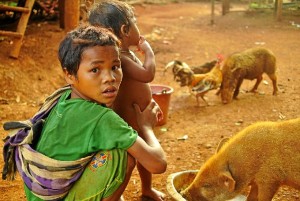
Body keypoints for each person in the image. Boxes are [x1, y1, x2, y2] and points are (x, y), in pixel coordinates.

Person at [2, 25, 166, 201]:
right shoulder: (101, 119)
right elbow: (158, 164)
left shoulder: (64, 96)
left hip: (40, 194)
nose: (110, 77)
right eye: (95, 70)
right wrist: (146, 127)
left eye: (115, 67)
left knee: (113, 142)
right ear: (69, 74)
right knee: (122, 156)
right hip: (57, 197)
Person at [88, 1, 165, 200]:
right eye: (135, 22)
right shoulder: (120, 58)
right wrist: (148, 51)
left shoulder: (124, 54)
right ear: (125, 29)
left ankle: (147, 189)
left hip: (139, 119)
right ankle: (117, 194)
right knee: (127, 162)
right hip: (129, 123)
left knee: (142, 158)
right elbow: (148, 74)